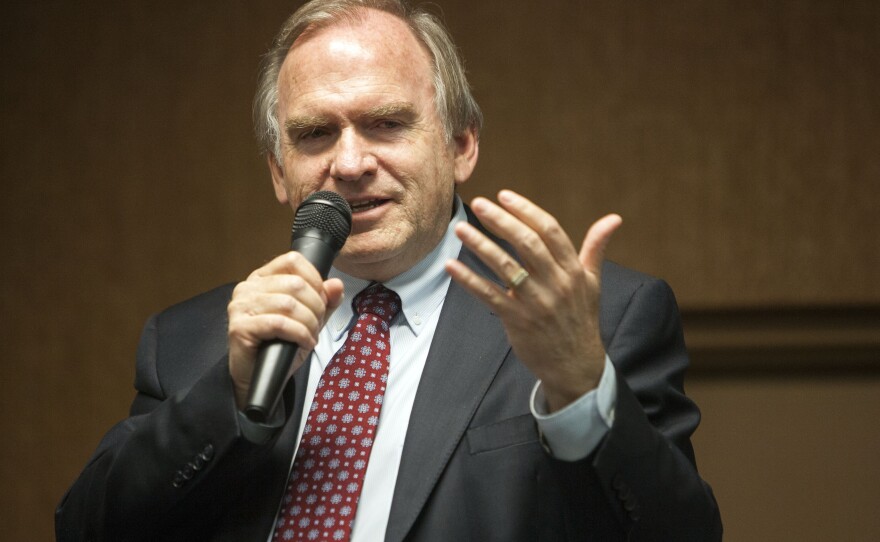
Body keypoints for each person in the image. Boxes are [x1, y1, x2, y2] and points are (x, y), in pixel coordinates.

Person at [56, 0, 722, 540]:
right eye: (315, 134)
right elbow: (86, 527)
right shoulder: (190, 340)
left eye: (385, 125)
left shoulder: (599, 320)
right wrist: (227, 397)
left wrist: (579, 390)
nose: (348, 164)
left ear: (461, 145)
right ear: (278, 171)